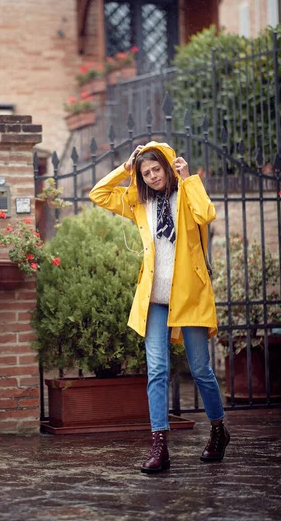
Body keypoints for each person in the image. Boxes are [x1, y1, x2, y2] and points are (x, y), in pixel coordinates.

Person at [89, 141, 230, 473]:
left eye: (156, 169)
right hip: (154, 298)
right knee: (156, 371)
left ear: (168, 167)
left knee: (200, 370)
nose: (151, 177)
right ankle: (159, 446)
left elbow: (206, 213)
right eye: (145, 172)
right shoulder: (139, 202)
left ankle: (218, 430)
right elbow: (98, 194)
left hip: (189, 295)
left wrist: (188, 178)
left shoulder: (187, 195)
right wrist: (125, 170)